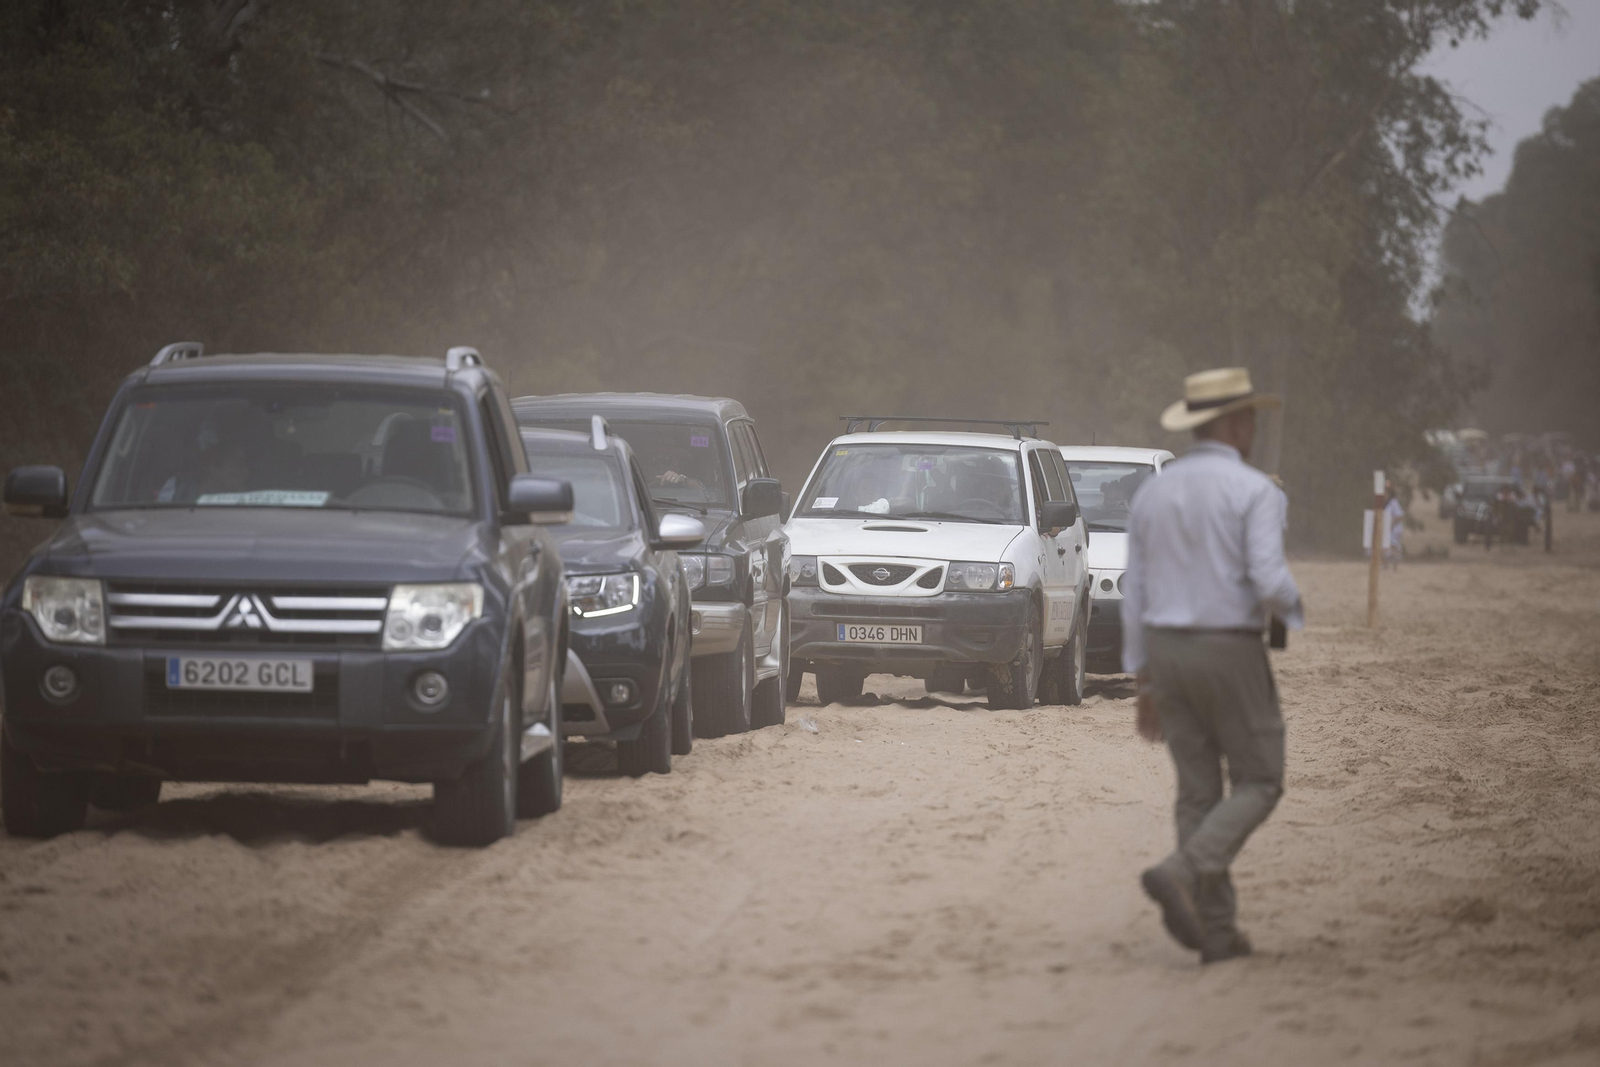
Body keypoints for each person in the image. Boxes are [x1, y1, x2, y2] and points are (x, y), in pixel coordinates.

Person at [1122, 367, 1303, 965]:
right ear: (1235, 422)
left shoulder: (1153, 491)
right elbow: (1269, 578)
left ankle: (1217, 932)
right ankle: (1186, 868)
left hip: (1166, 650)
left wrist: (1141, 675)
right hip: (1228, 647)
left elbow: (1136, 591)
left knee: (1198, 790)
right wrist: (1295, 610)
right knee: (1260, 777)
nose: (1252, 428)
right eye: (1249, 417)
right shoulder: (1255, 490)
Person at [1383, 484, 1405, 570]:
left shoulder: (1394, 502)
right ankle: (1386, 566)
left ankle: (1394, 567)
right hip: (1389, 528)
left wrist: (1391, 524)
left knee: (1394, 547)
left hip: (1394, 529)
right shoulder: (1387, 503)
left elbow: (1400, 516)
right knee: (1386, 547)